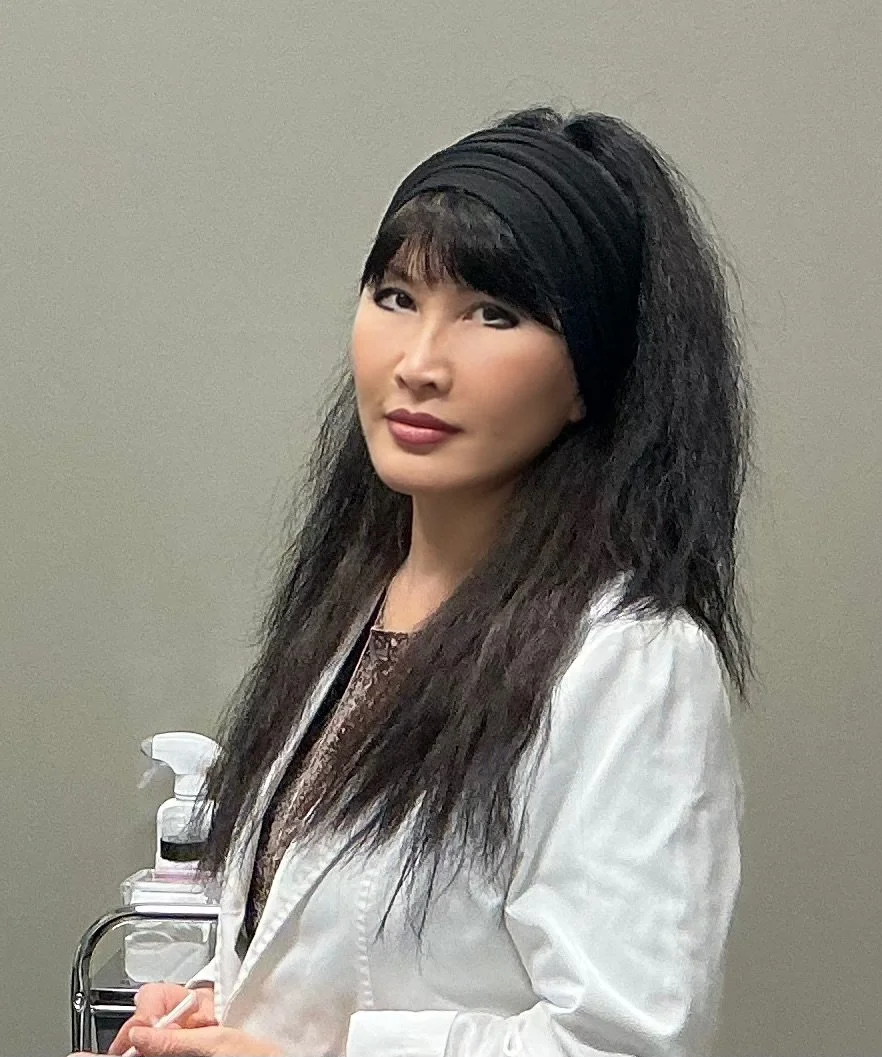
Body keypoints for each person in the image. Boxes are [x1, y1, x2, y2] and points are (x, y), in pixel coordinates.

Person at [92, 105, 750, 1057]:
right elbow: (326, 945)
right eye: (396, 296)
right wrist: (205, 1006)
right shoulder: (352, 608)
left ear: (588, 379)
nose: (419, 363)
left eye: (494, 314)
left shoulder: (632, 663)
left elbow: (622, 1044)